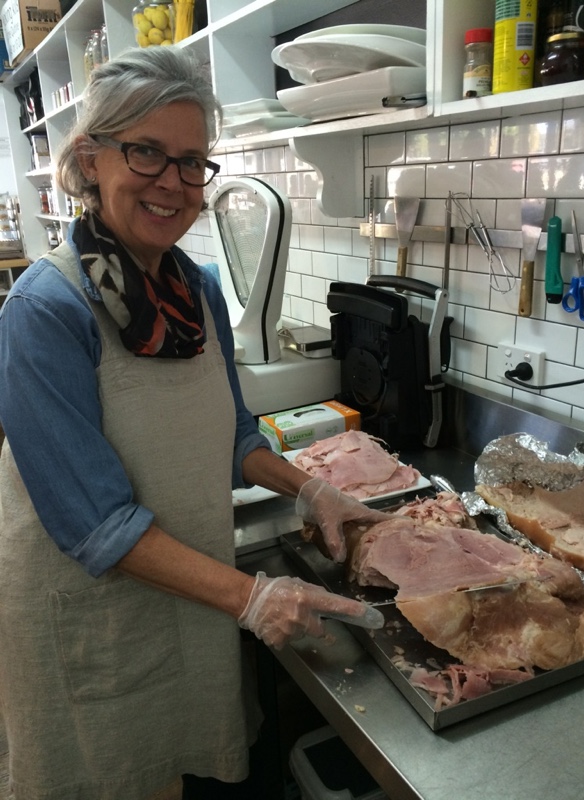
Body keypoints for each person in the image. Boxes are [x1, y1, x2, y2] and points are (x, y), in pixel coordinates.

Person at [0, 47, 386, 800]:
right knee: (107, 777)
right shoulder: (44, 311)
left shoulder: (197, 289)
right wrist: (252, 597)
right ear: (89, 158)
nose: (173, 183)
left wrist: (312, 491)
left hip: (189, 584)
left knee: (174, 769)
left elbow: (236, 433)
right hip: (90, 606)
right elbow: (95, 525)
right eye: (147, 152)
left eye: (192, 162)